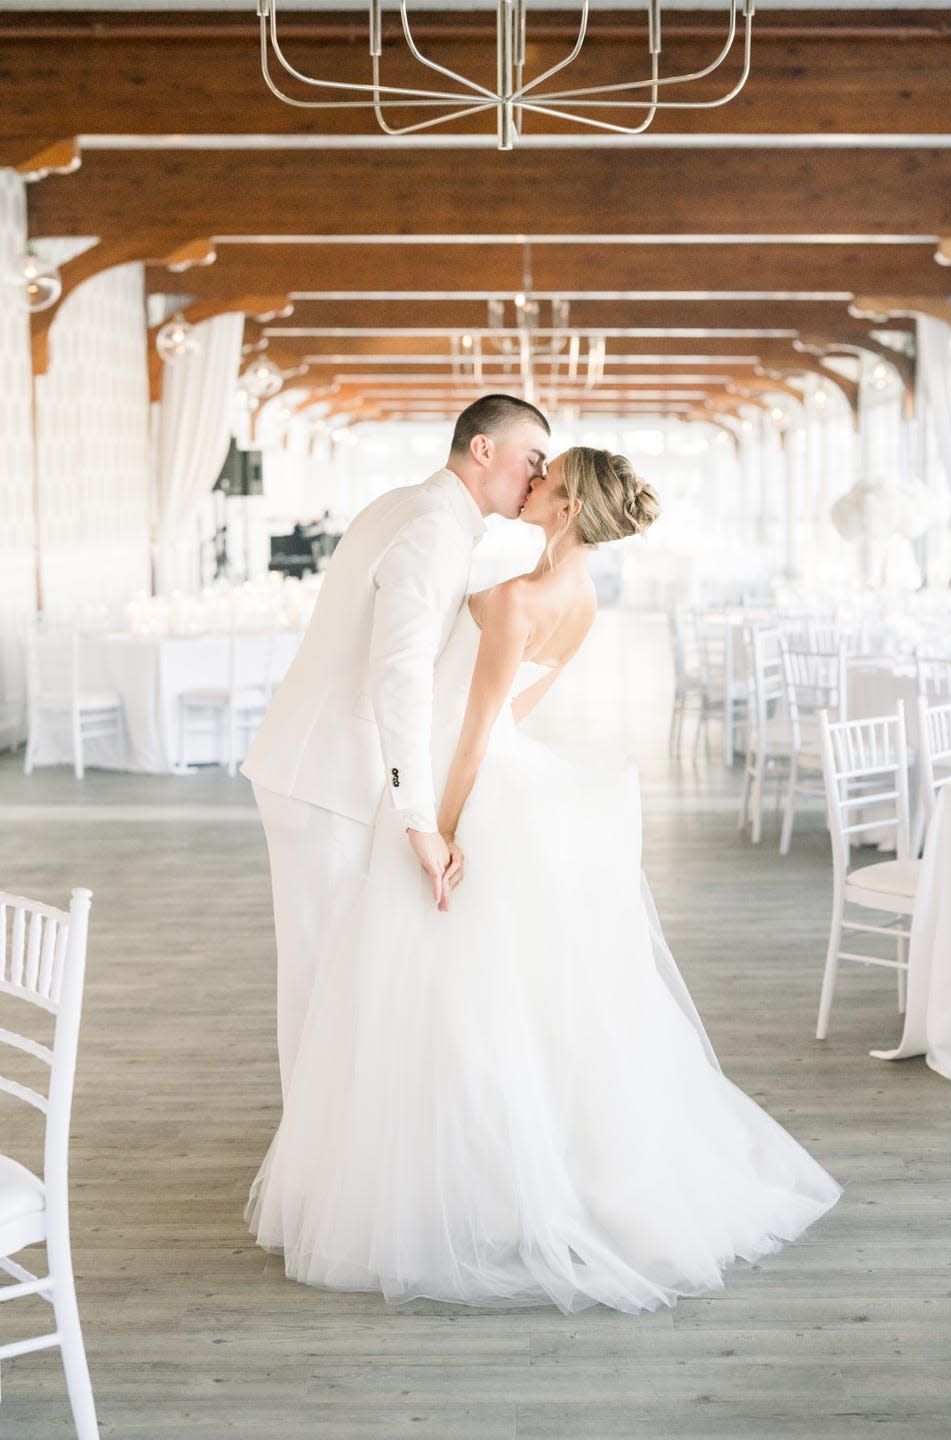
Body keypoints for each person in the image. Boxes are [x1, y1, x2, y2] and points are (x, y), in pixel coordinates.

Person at [247, 447, 842, 1316]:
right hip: (506, 779)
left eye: (544, 478)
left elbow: (482, 724)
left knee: (446, 989)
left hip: (466, 783)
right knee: (505, 997)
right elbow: (518, 711)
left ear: (563, 508)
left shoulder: (521, 597)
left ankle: (460, 1176)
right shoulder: (584, 600)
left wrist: (438, 826)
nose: (530, 483)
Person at [240, 394, 551, 1098]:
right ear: (482, 450)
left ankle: (325, 1141)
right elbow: (399, 671)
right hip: (325, 774)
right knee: (323, 972)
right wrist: (421, 818)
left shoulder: (410, 507)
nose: (537, 477)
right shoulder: (435, 528)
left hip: (317, 763)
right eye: (531, 459)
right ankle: (313, 1163)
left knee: (332, 968)